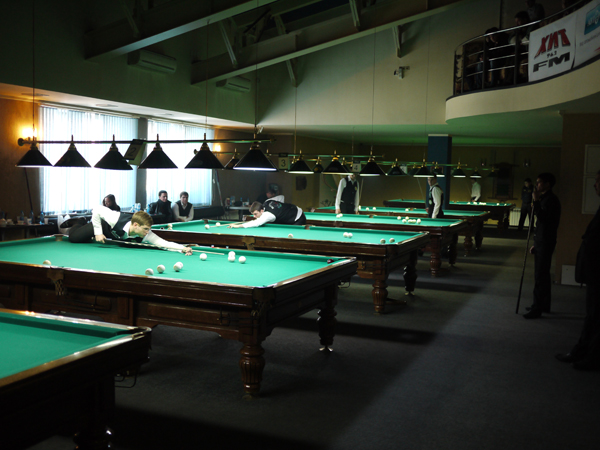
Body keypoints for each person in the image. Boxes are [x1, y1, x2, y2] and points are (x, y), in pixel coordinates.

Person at [556, 170, 600, 369]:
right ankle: (582, 351)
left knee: (596, 316)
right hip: (594, 273)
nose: (594, 184)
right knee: (592, 316)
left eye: (597, 181)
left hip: (597, 273)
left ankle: (591, 357)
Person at [65, 205, 193, 255]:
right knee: (74, 238)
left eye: (148, 229)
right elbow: (97, 209)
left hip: (109, 233)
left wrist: (183, 248)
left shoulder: (146, 234)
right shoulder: (115, 218)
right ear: (136, 225)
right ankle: (79, 221)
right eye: (145, 229)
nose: (147, 232)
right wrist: (98, 232)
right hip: (103, 225)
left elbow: (163, 243)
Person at [524, 173, 561, 319]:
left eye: (539, 182)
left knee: (540, 276)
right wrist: (536, 243)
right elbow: (539, 224)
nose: (537, 184)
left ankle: (537, 308)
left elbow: (543, 218)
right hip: (541, 241)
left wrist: (536, 201)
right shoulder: (545, 198)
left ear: (547, 184)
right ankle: (543, 305)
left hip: (546, 241)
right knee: (543, 275)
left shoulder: (551, 200)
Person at [228, 198, 306, 228]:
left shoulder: (267, 215)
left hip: (298, 217)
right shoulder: (267, 202)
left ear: (262, 210)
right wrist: (281, 208)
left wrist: (239, 226)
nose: (254, 216)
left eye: (255, 214)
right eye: (253, 214)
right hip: (292, 208)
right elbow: (281, 197)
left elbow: (256, 223)